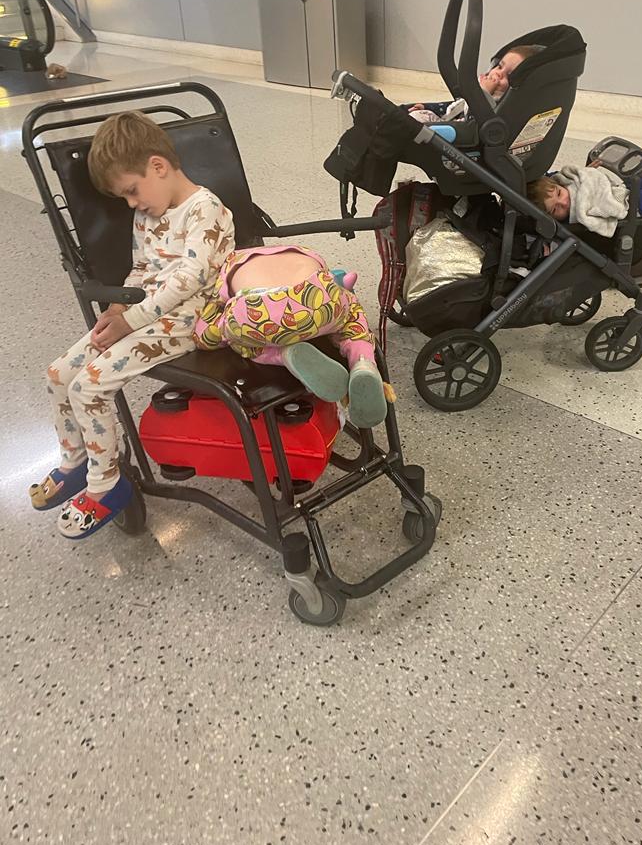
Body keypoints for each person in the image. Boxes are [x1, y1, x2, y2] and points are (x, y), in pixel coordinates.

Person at [29, 112, 235, 539]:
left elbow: (189, 279)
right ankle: (76, 460)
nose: (131, 204)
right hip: (144, 315)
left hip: (191, 318)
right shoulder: (148, 215)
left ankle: (108, 485)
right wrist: (117, 308)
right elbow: (141, 270)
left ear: (157, 166)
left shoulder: (206, 210)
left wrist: (132, 319)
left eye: (131, 191)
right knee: (58, 376)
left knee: (89, 386)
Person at [193, 246, 388, 430]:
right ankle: (363, 363)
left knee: (239, 340)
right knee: (351, 314)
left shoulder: (228, 265)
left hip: (257, 310)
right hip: (315, 293)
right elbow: (336, 279)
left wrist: (207, 335)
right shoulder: (301, 251)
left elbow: (207, 328)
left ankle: (284, 354)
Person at [408, 44, 542, 123]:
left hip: (461, 139)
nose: (498, 74)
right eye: (500, 67)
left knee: (412, 121)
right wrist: (428, 107)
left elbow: (474, 124)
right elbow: (457, 106)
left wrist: (482, 94)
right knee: (407, 115)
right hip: (451, 122)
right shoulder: (484, 88)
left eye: (508, 75)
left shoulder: (505, 105)